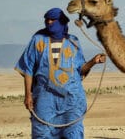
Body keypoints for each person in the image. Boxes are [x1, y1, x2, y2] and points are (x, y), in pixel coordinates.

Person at [15, 8, 106, 138]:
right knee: (42, 133)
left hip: (71, 99)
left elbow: (80, 69)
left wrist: (93, 61)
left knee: (73, 133)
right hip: (45, 99)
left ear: (61, 22)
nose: (49, 22)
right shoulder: (38, 40)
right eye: (47, 20)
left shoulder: (73, 42)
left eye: (53, 20)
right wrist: (28, 95)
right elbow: (28, 68)